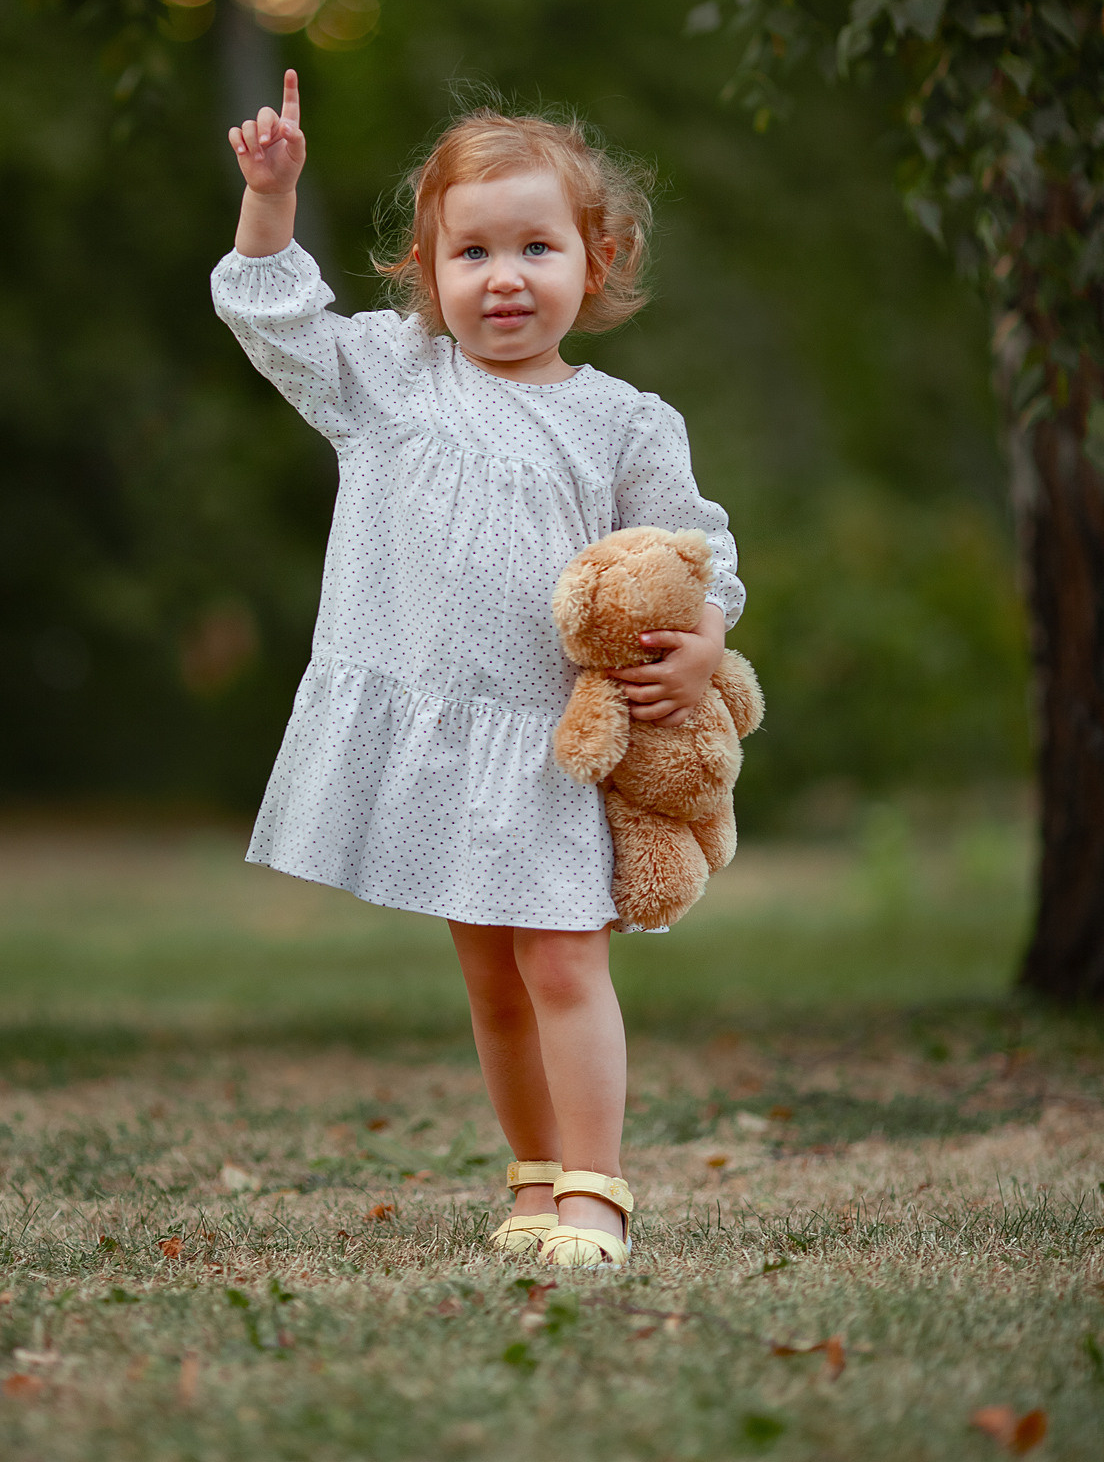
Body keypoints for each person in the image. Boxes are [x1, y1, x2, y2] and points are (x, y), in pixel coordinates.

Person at [212, 70, 745, 1269]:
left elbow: (690, 555)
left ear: (595, 262)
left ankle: (596, 1192)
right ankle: (534, 1177)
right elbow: (272, 317)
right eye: (472, 253)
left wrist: (706, 637)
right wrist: (272, 197)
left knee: (560, 958)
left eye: (535, 248)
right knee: (493, 979)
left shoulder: (624, 421)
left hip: (550, 744)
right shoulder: (391, 377)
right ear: (426, 269)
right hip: (443, 739)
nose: (503, 277)